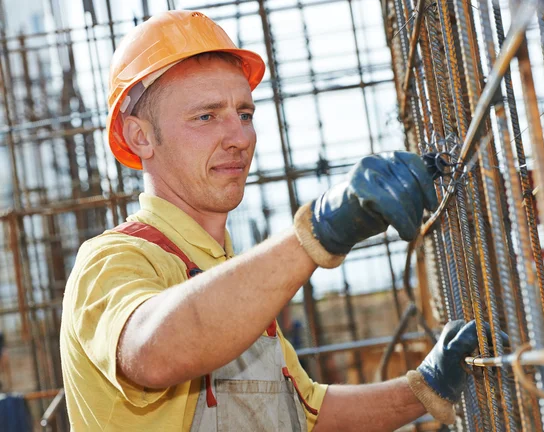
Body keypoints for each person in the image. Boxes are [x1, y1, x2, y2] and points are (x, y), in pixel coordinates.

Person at [60, 10, 486, 431]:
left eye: (244, 114)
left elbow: (307, 415)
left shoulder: (230, 276)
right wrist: (320, 231)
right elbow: (153, 350)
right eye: (206, 116)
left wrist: (427, 388)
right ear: (141, 136)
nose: (241, 138)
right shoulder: (110, 261)